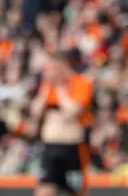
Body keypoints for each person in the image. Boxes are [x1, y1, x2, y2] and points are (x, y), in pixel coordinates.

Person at [30, 51, 94, 196]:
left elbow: (71, 112)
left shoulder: (80, 82)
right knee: (44, 189)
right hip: (50, 147)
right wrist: (46, 89)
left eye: (50, 68)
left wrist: (59, 87)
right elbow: (35, 111)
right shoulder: (47, 86)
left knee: (77, 190)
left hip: (71, 148)